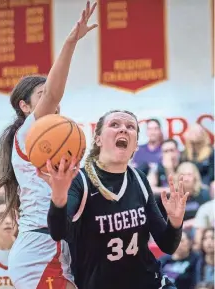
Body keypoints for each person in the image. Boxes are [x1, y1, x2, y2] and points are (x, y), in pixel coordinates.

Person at [0, 2, 98, 289]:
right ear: (24, 106)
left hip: (54, 244)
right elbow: (55, 91)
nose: (53, 100)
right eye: (42, 95)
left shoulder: (54, 143)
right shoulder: (27, 134)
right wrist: (71, 42)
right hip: (39, 249)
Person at [39, 110, 189, 289]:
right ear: (98, 139)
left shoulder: (139, 179)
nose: (124, 129)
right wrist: (58, 197)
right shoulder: (80, 180)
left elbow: (167, 245)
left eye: (130, 127)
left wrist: (175, 221)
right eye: (115, 125)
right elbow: (58, 233)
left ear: (135, 146)